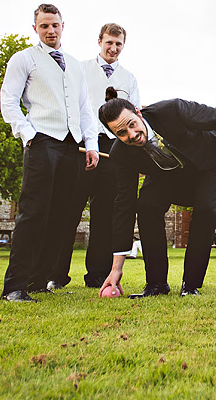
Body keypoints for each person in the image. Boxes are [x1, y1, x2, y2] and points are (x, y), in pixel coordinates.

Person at [97, 89, 216, 298]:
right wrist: (116, 268)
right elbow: (124, 204)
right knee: (146, 205)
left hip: (207, 163)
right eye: (121, 133)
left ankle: (191, 285)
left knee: (206, 209)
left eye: (131, 125)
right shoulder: (121, 154)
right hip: (166, 176)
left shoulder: (171, 111)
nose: (131, 135)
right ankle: (156, 284)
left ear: (138, 112)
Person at [0, 4, 99, 302]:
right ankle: (14, 286)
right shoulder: (24, 59)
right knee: (32, 214)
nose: (50, 31)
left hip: (72, 147)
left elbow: (84, 109)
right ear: (35, 29)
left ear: (63, 25)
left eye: (54, 25)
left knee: (61, 216)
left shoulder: (75, 64)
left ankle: (38, 281)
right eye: (44, 26)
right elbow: (9, 101)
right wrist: (28, 135)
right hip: (41, 142)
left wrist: (91, 144)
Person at [53, 23, 141, 288]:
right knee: (69, 211)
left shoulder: (129, 78)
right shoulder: (79, 69)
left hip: (114, 151)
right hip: (82, 146)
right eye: (109, 43)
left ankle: (98, 275)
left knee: (105, 216)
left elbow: (136, 114)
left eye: (119, 44)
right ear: (100, 42)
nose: (113, 49)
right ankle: (55, 275)